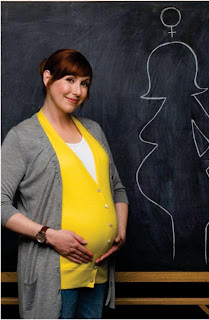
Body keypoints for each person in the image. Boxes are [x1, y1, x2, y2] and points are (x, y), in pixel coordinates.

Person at [1, 48, 128, 319]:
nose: (77, 91)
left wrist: (120, 229)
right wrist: (49, 235)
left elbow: (116, 187)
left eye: (84, 83)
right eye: (69, 80)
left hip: (97, 270)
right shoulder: (22, 137)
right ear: (48, 78)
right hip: (53, 275)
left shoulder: (93, 130)